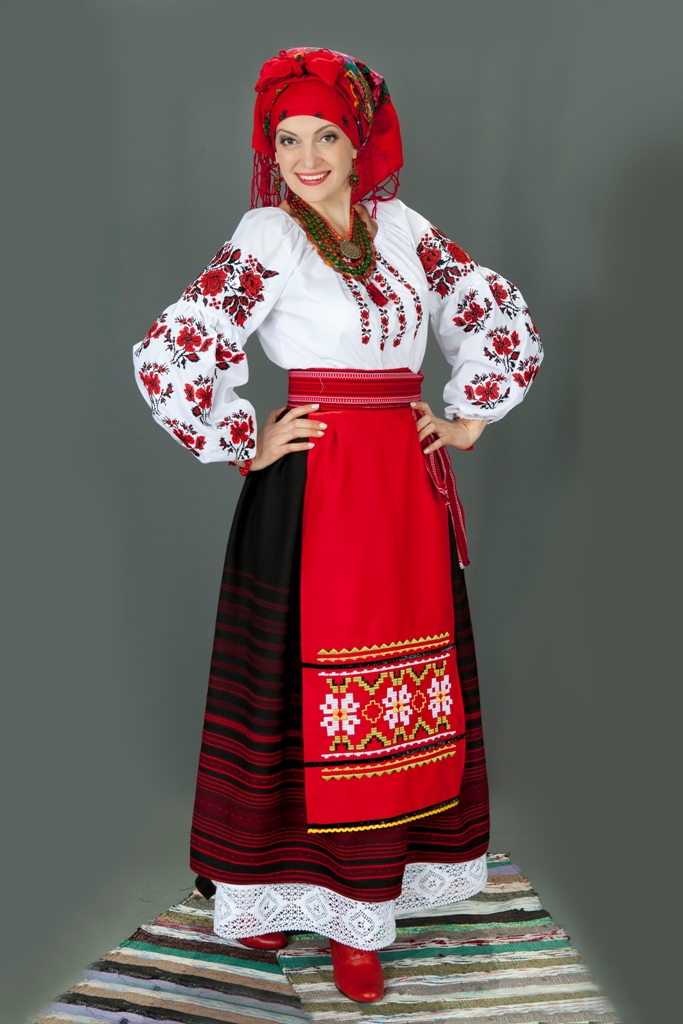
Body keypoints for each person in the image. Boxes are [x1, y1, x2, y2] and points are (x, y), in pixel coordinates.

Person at [133, 46, 542, 1004]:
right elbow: (173, 348)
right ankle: (269, 890)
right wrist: (245, 436)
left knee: (390, 692)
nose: (307, 159)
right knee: (293, 694)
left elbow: (490, 313)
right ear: (269, 151)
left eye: (325, 137)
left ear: (359, 146)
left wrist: (466, 415)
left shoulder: (404, 230)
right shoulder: (269, 236)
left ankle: (365, 908)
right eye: (287, 140)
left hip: (401, 486)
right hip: (313, 491)